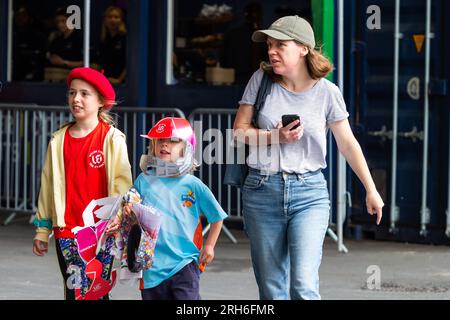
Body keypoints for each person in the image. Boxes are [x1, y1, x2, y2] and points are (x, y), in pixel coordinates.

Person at [233, 15, 384, 300]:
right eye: (269, 45)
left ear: (303, 48)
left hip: (310, 194)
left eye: (280, 45)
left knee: (303, 285)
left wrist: (371, 189)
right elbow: (239, 133)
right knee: (271, 289)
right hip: (262, 190)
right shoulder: (261, 81)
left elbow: (348, 143)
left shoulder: (328, 92)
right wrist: (275, 137)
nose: (271, 51)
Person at [32, 67, 133, 300]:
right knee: (74, 291)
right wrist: (42, 230)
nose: (75, 99)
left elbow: (122, 184)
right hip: (66, 231)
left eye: (84, 94)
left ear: (101, 102)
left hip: (102, 233)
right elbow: (47, 188)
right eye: (71, 93)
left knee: (96, 292)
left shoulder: (112, 139)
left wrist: (117, 219)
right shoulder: (58, 141)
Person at [109, 117, 228, 300]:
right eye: (160, 140)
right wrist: (128, 210)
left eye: (173, 140)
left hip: (184, 263)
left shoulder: (193, 185)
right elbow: (131, 207)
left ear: (186, 148)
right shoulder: (143, 180)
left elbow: (216, 217)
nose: (165, 144)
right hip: (150, 266)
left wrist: (210, 245)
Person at [220, 2, 267, 84]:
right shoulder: (262, 35)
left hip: (235, 77)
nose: (255, 17)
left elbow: (223, 59)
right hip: (247, 77)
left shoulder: (232, 33)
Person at [93, 6, 127, 84]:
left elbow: (129, 64)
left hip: (121, 83)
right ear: (105, 20)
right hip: (104, 81)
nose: (112, 20)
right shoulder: (103, 39)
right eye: (109, 17)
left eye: (116, 17)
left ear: (121, 20)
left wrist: (119, 80)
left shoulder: (125, 38)